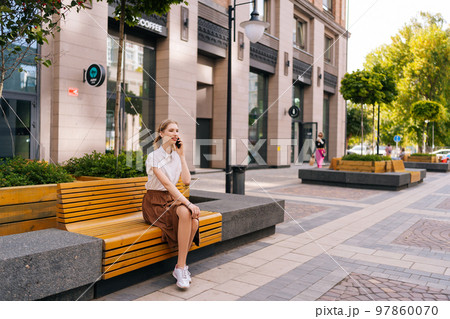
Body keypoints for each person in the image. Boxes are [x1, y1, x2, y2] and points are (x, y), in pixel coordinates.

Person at [142, 119, 200, 289]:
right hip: (154, 203)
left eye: (177, 130)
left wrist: (182, 156)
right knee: (187, 213)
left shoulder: (176, 156)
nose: (175, 134)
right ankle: (181, 268)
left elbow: (187, 181)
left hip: (171, 200)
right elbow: (167, 185)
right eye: (171, 130)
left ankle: (180, 267)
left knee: (193, 221)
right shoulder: (153, 157)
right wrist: (189, 204)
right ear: (161, 134)